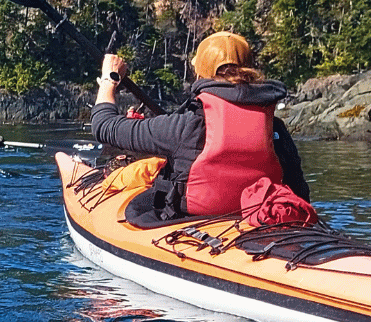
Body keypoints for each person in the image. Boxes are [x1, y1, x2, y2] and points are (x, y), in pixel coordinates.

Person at [90, 31, 308, 223]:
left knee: (140, 205)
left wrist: (110, 79)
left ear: (201, 74)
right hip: (258, 221)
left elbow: (104, 126)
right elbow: (299, 194)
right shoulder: (274, 128)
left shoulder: (185, 126)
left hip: (190, 220)